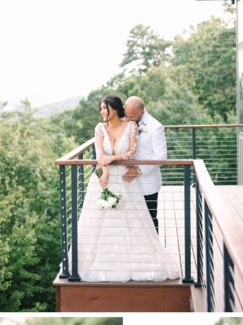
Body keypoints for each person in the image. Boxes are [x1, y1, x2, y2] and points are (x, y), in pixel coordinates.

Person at [76, 95, 180, 282]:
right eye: (100, 109)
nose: (101, 112)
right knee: (102, 222)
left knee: (142, 221)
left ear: (114, 109)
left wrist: (121, 162)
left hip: (134, 180)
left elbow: (144, 154)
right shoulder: (100, 128)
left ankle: (144, 260)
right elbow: (100, 154)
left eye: (104, 108)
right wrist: (104, 170)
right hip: (108, 178)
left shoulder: (149, 126)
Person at [123, 95, 166, 233]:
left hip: (147, 183)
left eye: (132, 116)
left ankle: (155, 252)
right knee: (129, 220)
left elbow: (160, 156)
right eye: (127, 115)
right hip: (127, 182)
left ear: (142, 111)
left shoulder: (155, 127)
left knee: (150, 219)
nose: (128, 118)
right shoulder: (124, 122)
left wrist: (139, 170)